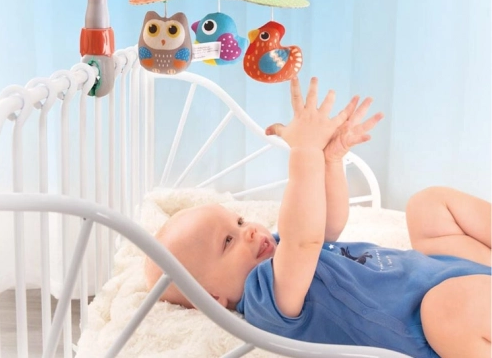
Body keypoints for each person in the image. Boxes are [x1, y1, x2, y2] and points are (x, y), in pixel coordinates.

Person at [145, 77, 491, 358]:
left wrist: (331, 160)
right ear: (213, 298)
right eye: (227, 241)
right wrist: (304, 152)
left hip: (446, 271)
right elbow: (305, 240)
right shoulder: (266, 302)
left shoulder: (280, 249)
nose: (248, 231)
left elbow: (328, 223)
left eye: (239, 222)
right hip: (441, 317)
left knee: (427, 205)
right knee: (443, 311)